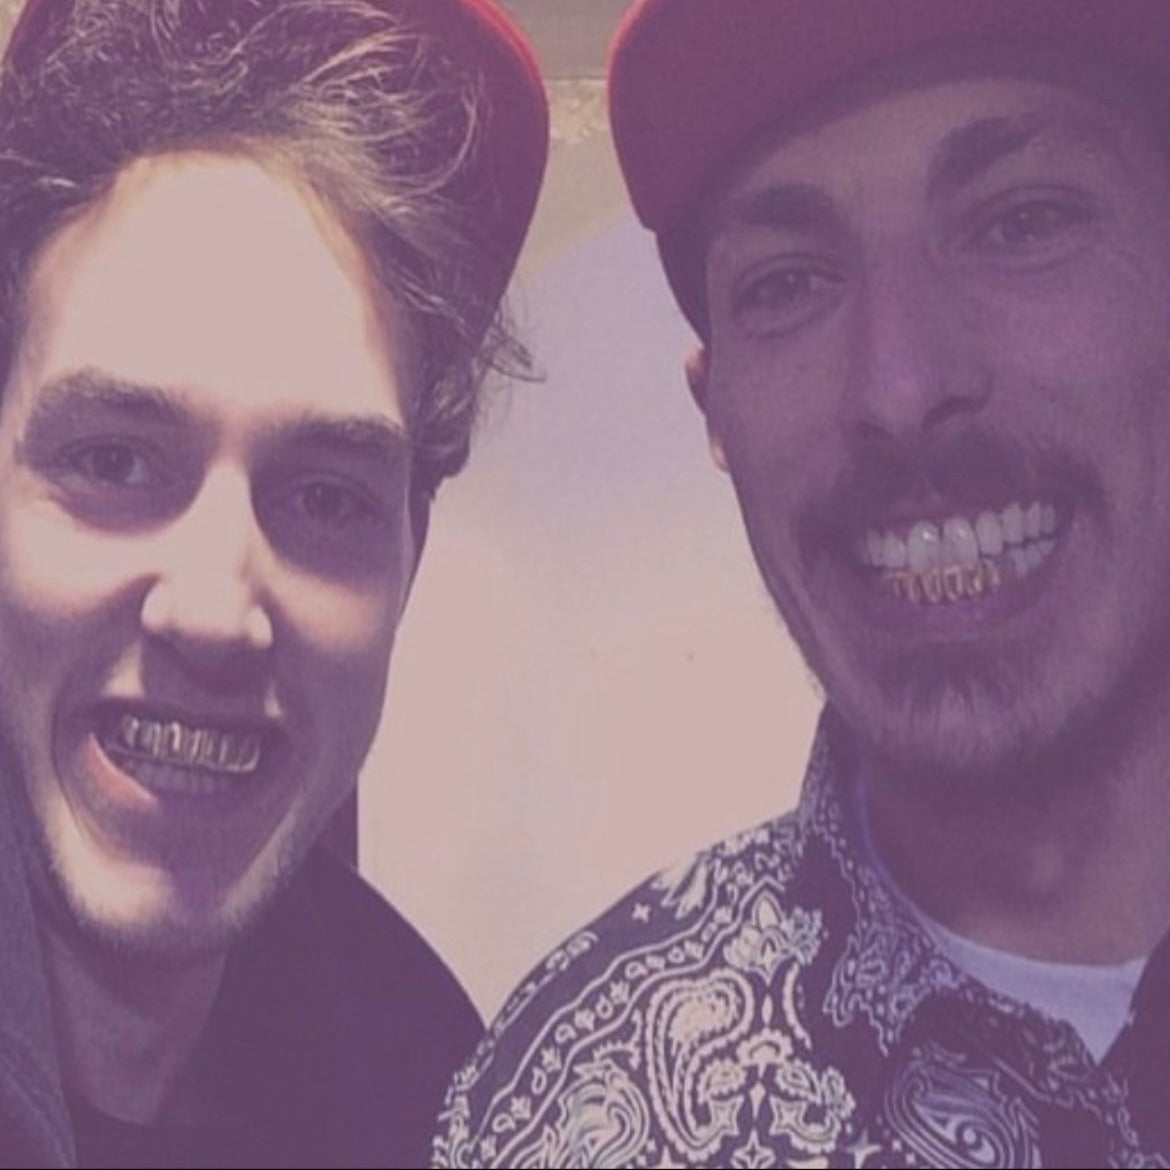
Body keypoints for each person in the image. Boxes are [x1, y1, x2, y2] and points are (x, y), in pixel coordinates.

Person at [433, 1, 1170, 1166]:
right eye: (789, 282)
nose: (898, 386)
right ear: (714, 413)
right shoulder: (576, 1116)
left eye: (1021, 222)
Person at [0, 0, 547, 1165]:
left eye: (325, 498)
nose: (213, 613)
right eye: (114, 462)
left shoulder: (443, 1098)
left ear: (408, 561)